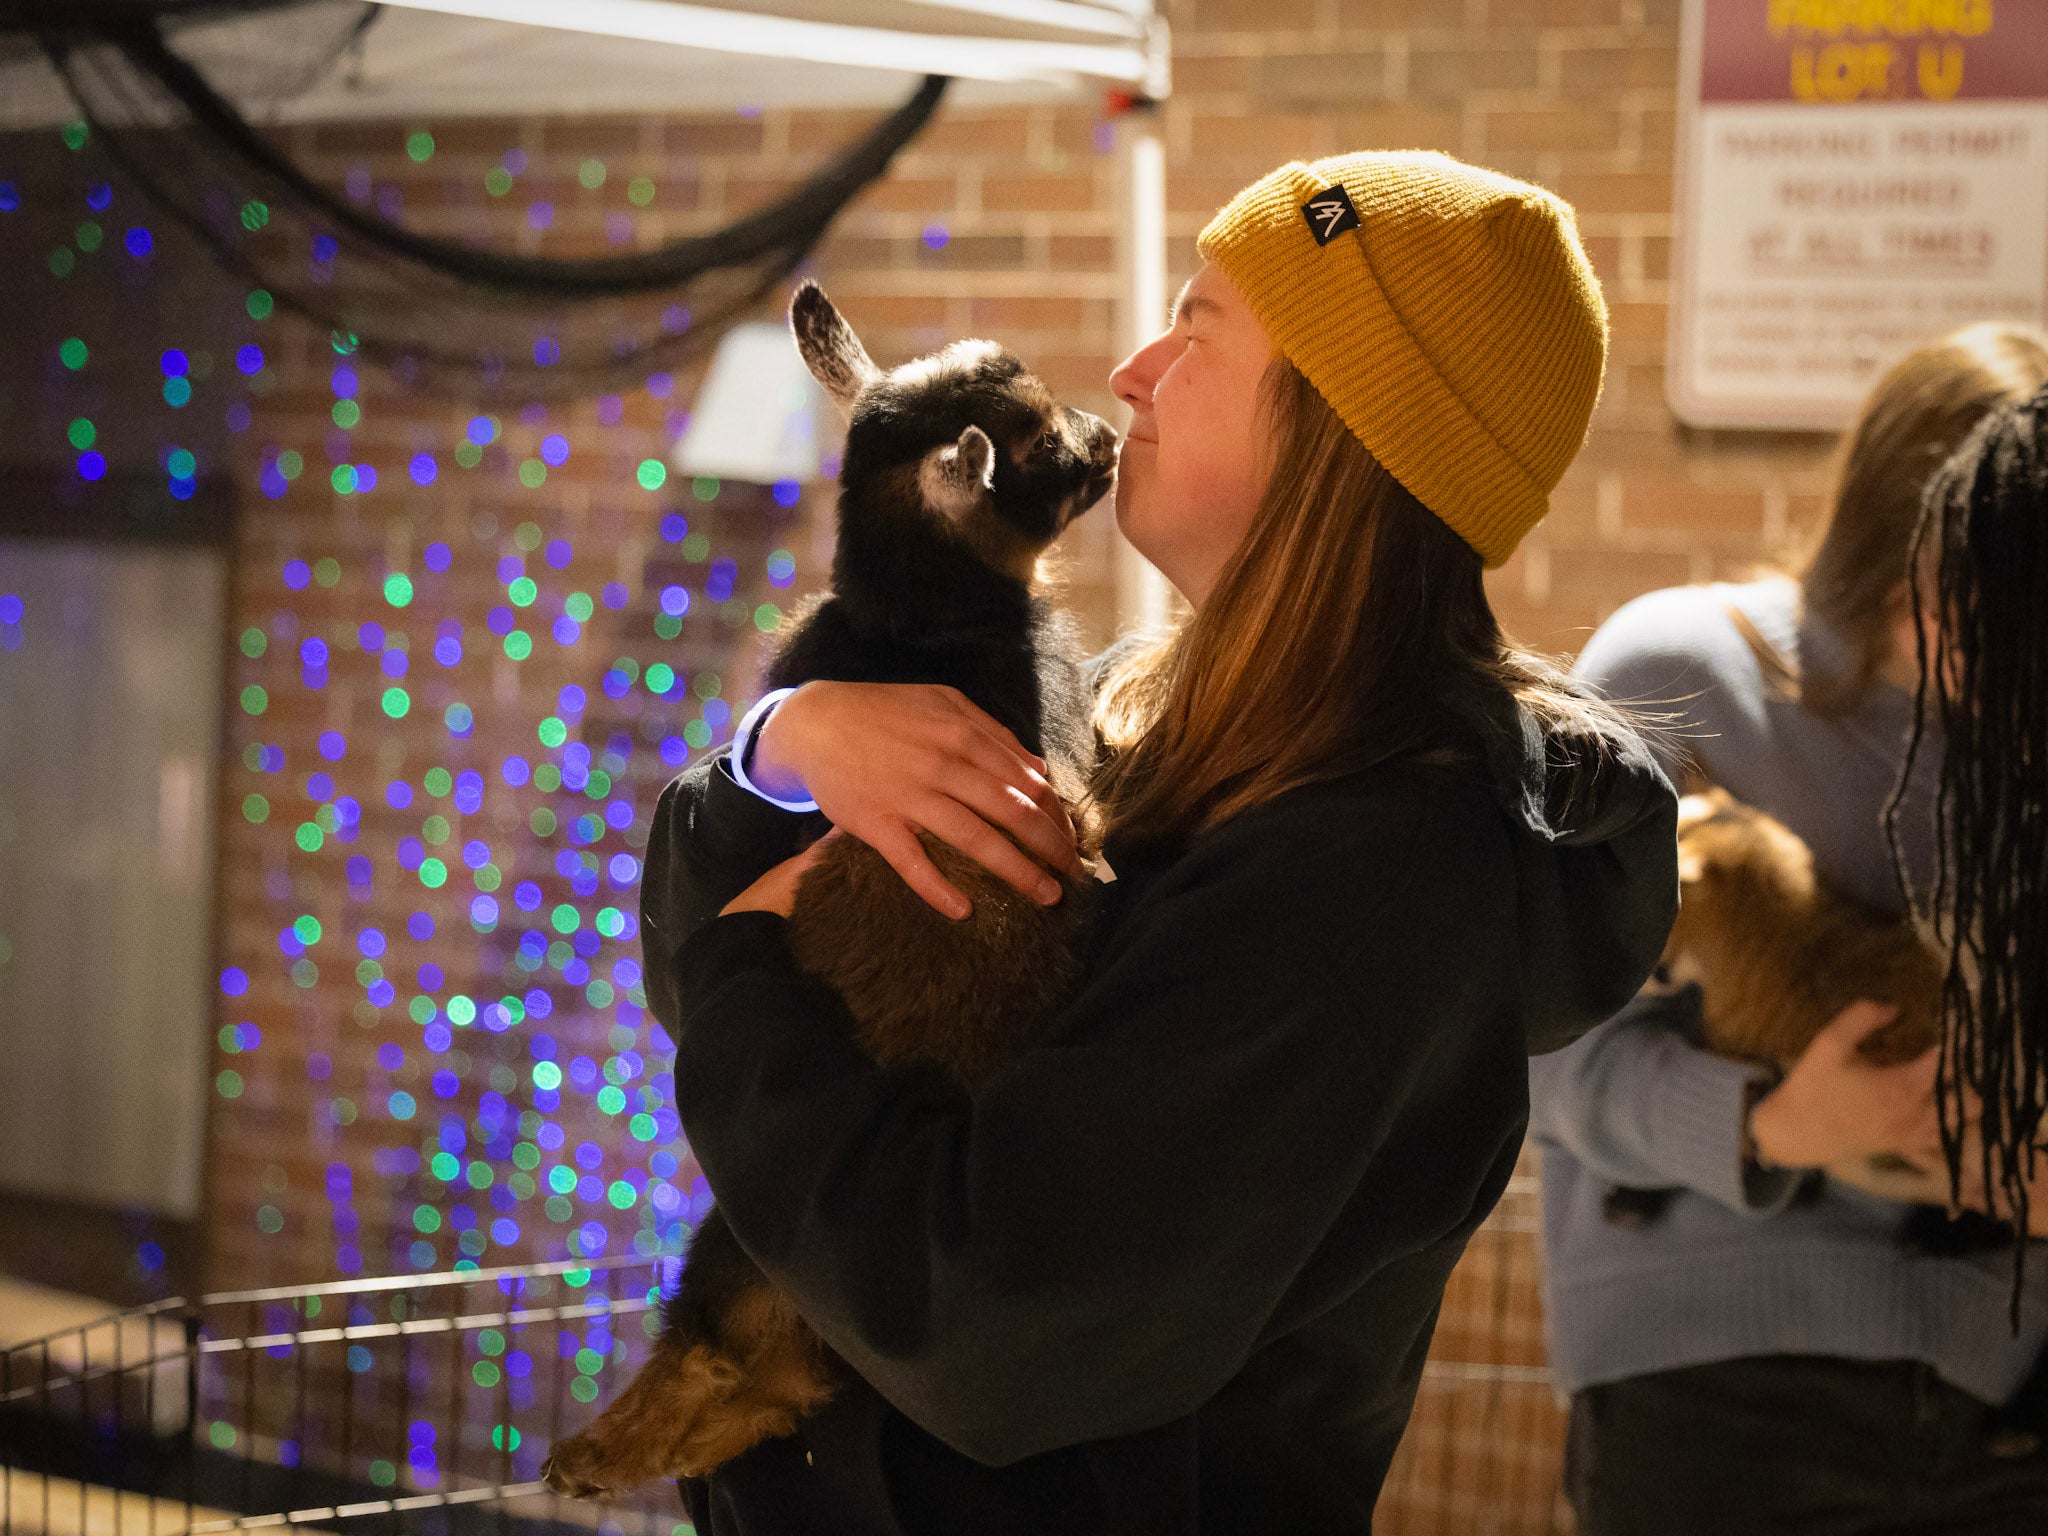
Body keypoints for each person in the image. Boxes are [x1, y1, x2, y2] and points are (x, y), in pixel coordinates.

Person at [638, 151, 1679, 1535]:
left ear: (1341, 431)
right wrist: (781, 756)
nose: (1130, 370)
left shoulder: (1375, 878)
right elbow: (748, 971)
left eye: (1198, 332)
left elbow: (991, 1322)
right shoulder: (1134, 721)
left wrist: (744, 975)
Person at [1530, 322, 2048, 1536]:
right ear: (1886, 539)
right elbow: (1533, 1055)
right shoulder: (1679, 670)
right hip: (1719, 1393)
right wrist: (1772, 1126)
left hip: (2006, 1395)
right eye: (1968, 589)